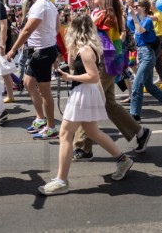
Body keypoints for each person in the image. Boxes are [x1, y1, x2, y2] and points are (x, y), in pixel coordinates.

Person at [39, 13, 134, 196]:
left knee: (65, 133)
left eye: (69, 27)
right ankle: (123, 160)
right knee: (92, 132)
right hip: (84, 91)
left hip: (84, 91)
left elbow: (93, 76)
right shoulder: (82, 48)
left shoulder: (86, 50)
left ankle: (61, 181)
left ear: (75, 29)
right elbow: (77, 67)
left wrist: (69, 76)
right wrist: (68, 62)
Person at [73, 0, 152, 162]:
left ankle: (82, 147)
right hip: (103, 63)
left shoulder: (107, 16)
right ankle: (139, 132)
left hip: (104, 64)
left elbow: (96, 39)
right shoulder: (99, 13)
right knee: (109, 104)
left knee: (88, 102)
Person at [6, 0, 61, 140]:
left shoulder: (40, 5)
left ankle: (51, 128)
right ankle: (40, 118)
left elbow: (27, 30)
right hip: (41, 50)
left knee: (45, 92)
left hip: (43, 52)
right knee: (28, 83)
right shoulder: (48, 4)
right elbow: (57, 26)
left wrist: (13, 49)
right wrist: (49, 37)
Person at [127, 0, 162, 121]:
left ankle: (135, 115)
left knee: (137, 84)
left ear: (144, 8)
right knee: (149, 85)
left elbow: (140, 30)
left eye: (137, 6)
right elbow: (133, 29)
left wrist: (133, 16)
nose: (135, 7)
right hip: (142, 53)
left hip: (148, 54)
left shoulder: (148, 21)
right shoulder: (139, 20)